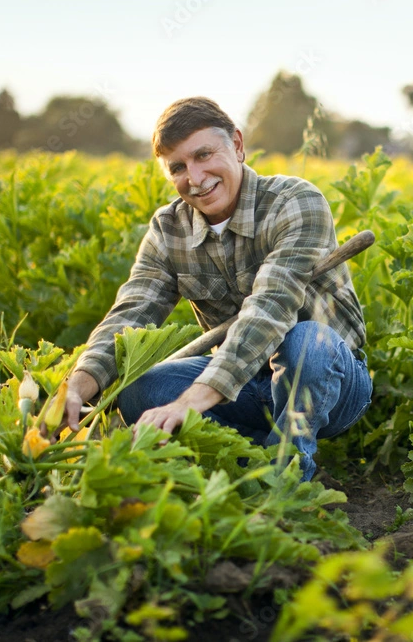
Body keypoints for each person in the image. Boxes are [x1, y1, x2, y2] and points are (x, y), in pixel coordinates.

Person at [61, 96, 371, 481]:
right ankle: (254, 459)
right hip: (242, 387)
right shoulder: (168, 229)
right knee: (138, 389)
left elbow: (270, 308)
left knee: (305, 341)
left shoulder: (295, 202)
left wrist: (190, 402)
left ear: (237, 146)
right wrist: (78, 386)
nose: (194, 177)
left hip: (328, 381)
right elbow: (131, 312)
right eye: (178, 167)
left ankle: (286, 480)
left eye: (204, 154)